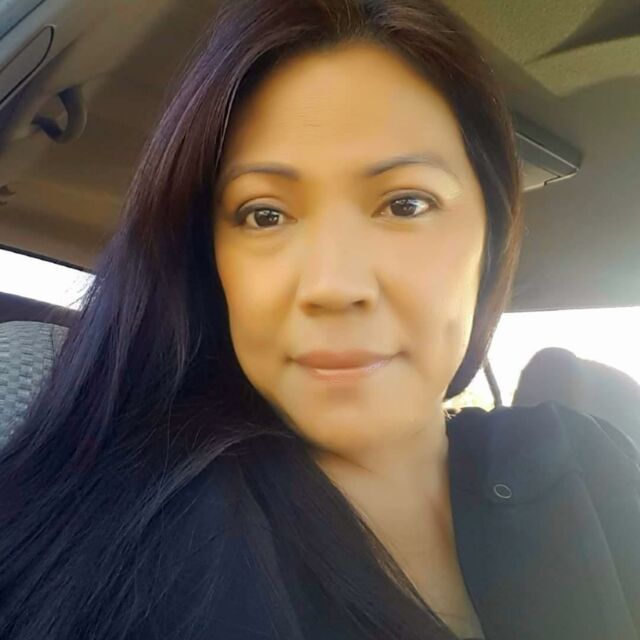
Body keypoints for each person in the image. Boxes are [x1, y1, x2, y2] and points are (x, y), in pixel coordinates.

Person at [0, 1, 637, 639]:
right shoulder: (146, 550)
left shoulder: (588, 459)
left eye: (405, 204)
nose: (333, 286)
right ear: (211, 264)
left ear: (490, 236)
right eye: (265, 215)